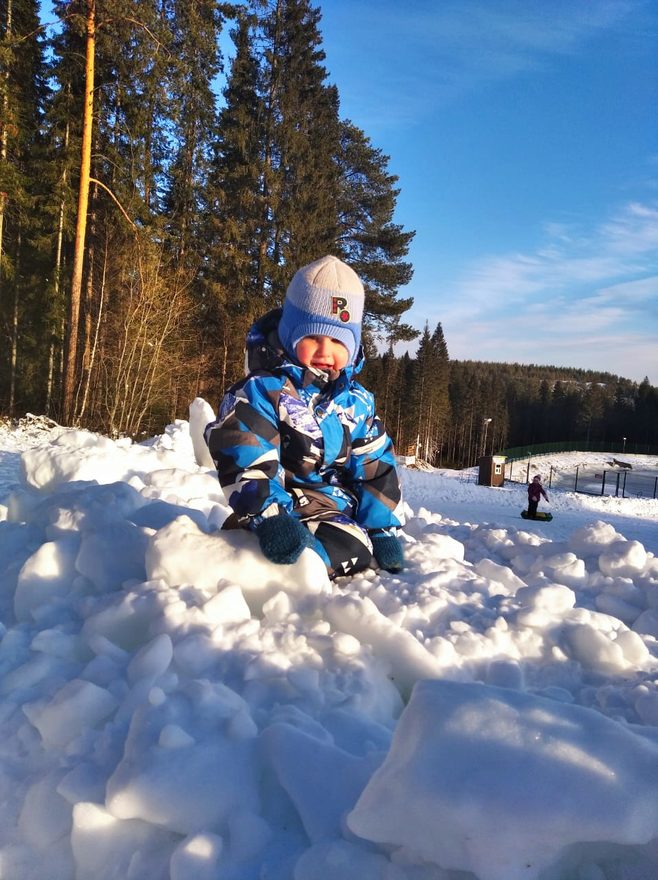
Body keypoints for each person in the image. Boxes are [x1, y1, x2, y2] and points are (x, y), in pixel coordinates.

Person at [204, 255, 405, 578]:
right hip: (272, 511)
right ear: (289, 335)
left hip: (332, 511)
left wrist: (382, 530)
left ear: (353, 347)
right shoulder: (262, 391)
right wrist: (271, 517)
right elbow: (245, 454)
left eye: (338, 341)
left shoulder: (357, 403)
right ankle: (271, 569)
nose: (326, 352)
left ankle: (308, 559)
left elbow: (375, 468)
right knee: (348, 548)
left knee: (356, 544)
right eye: (313, 338)